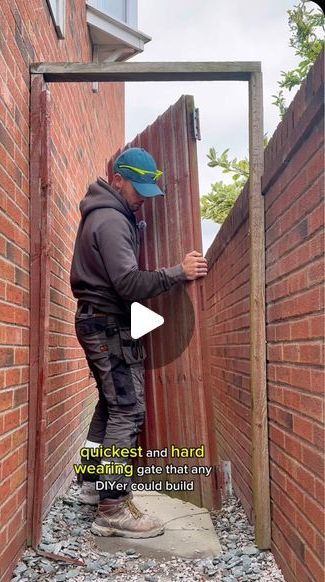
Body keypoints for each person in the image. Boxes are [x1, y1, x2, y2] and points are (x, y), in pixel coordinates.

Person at [70, 147, 208, 538]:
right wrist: (176, 273)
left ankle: (92, 485)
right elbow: (128, 283)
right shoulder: (110, 220)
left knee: (110, 406)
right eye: (138, 190)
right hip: (107, 324)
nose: (143, 199)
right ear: (117, 180)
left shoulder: (110, 215)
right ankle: (112, 508)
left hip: (99, 321)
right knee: (127, 411)